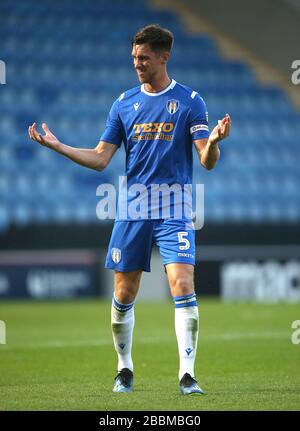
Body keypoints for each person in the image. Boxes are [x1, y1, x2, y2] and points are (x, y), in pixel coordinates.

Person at [28, 24, 231, 395]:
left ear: (163, 57)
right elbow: (102, 157)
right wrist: (59, 147)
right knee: (124, 293)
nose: (137, 63)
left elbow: (206, 160)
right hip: (132, 208)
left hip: (175, 208)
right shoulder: (123, 104)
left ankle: (187, 375)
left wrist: (214, 141)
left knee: (183, 284)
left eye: (144, 58)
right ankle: (124, 369)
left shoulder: (190, 102)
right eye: (134, 57)